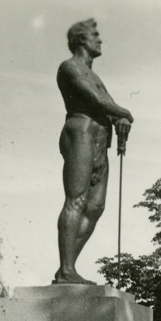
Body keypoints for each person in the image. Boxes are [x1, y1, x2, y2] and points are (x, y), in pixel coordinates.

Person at [53, 18, 133, 285]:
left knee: (96, 206)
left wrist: (119, 119)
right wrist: (125, 114)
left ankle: (67, 268)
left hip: (100, 136)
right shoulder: (69, 67)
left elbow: (107, 106)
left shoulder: (95, 75)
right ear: (79, 39)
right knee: (76, 199)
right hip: (81, 132)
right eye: (94, 35)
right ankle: (66, 270)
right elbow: (97, 101)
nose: (100, 40)